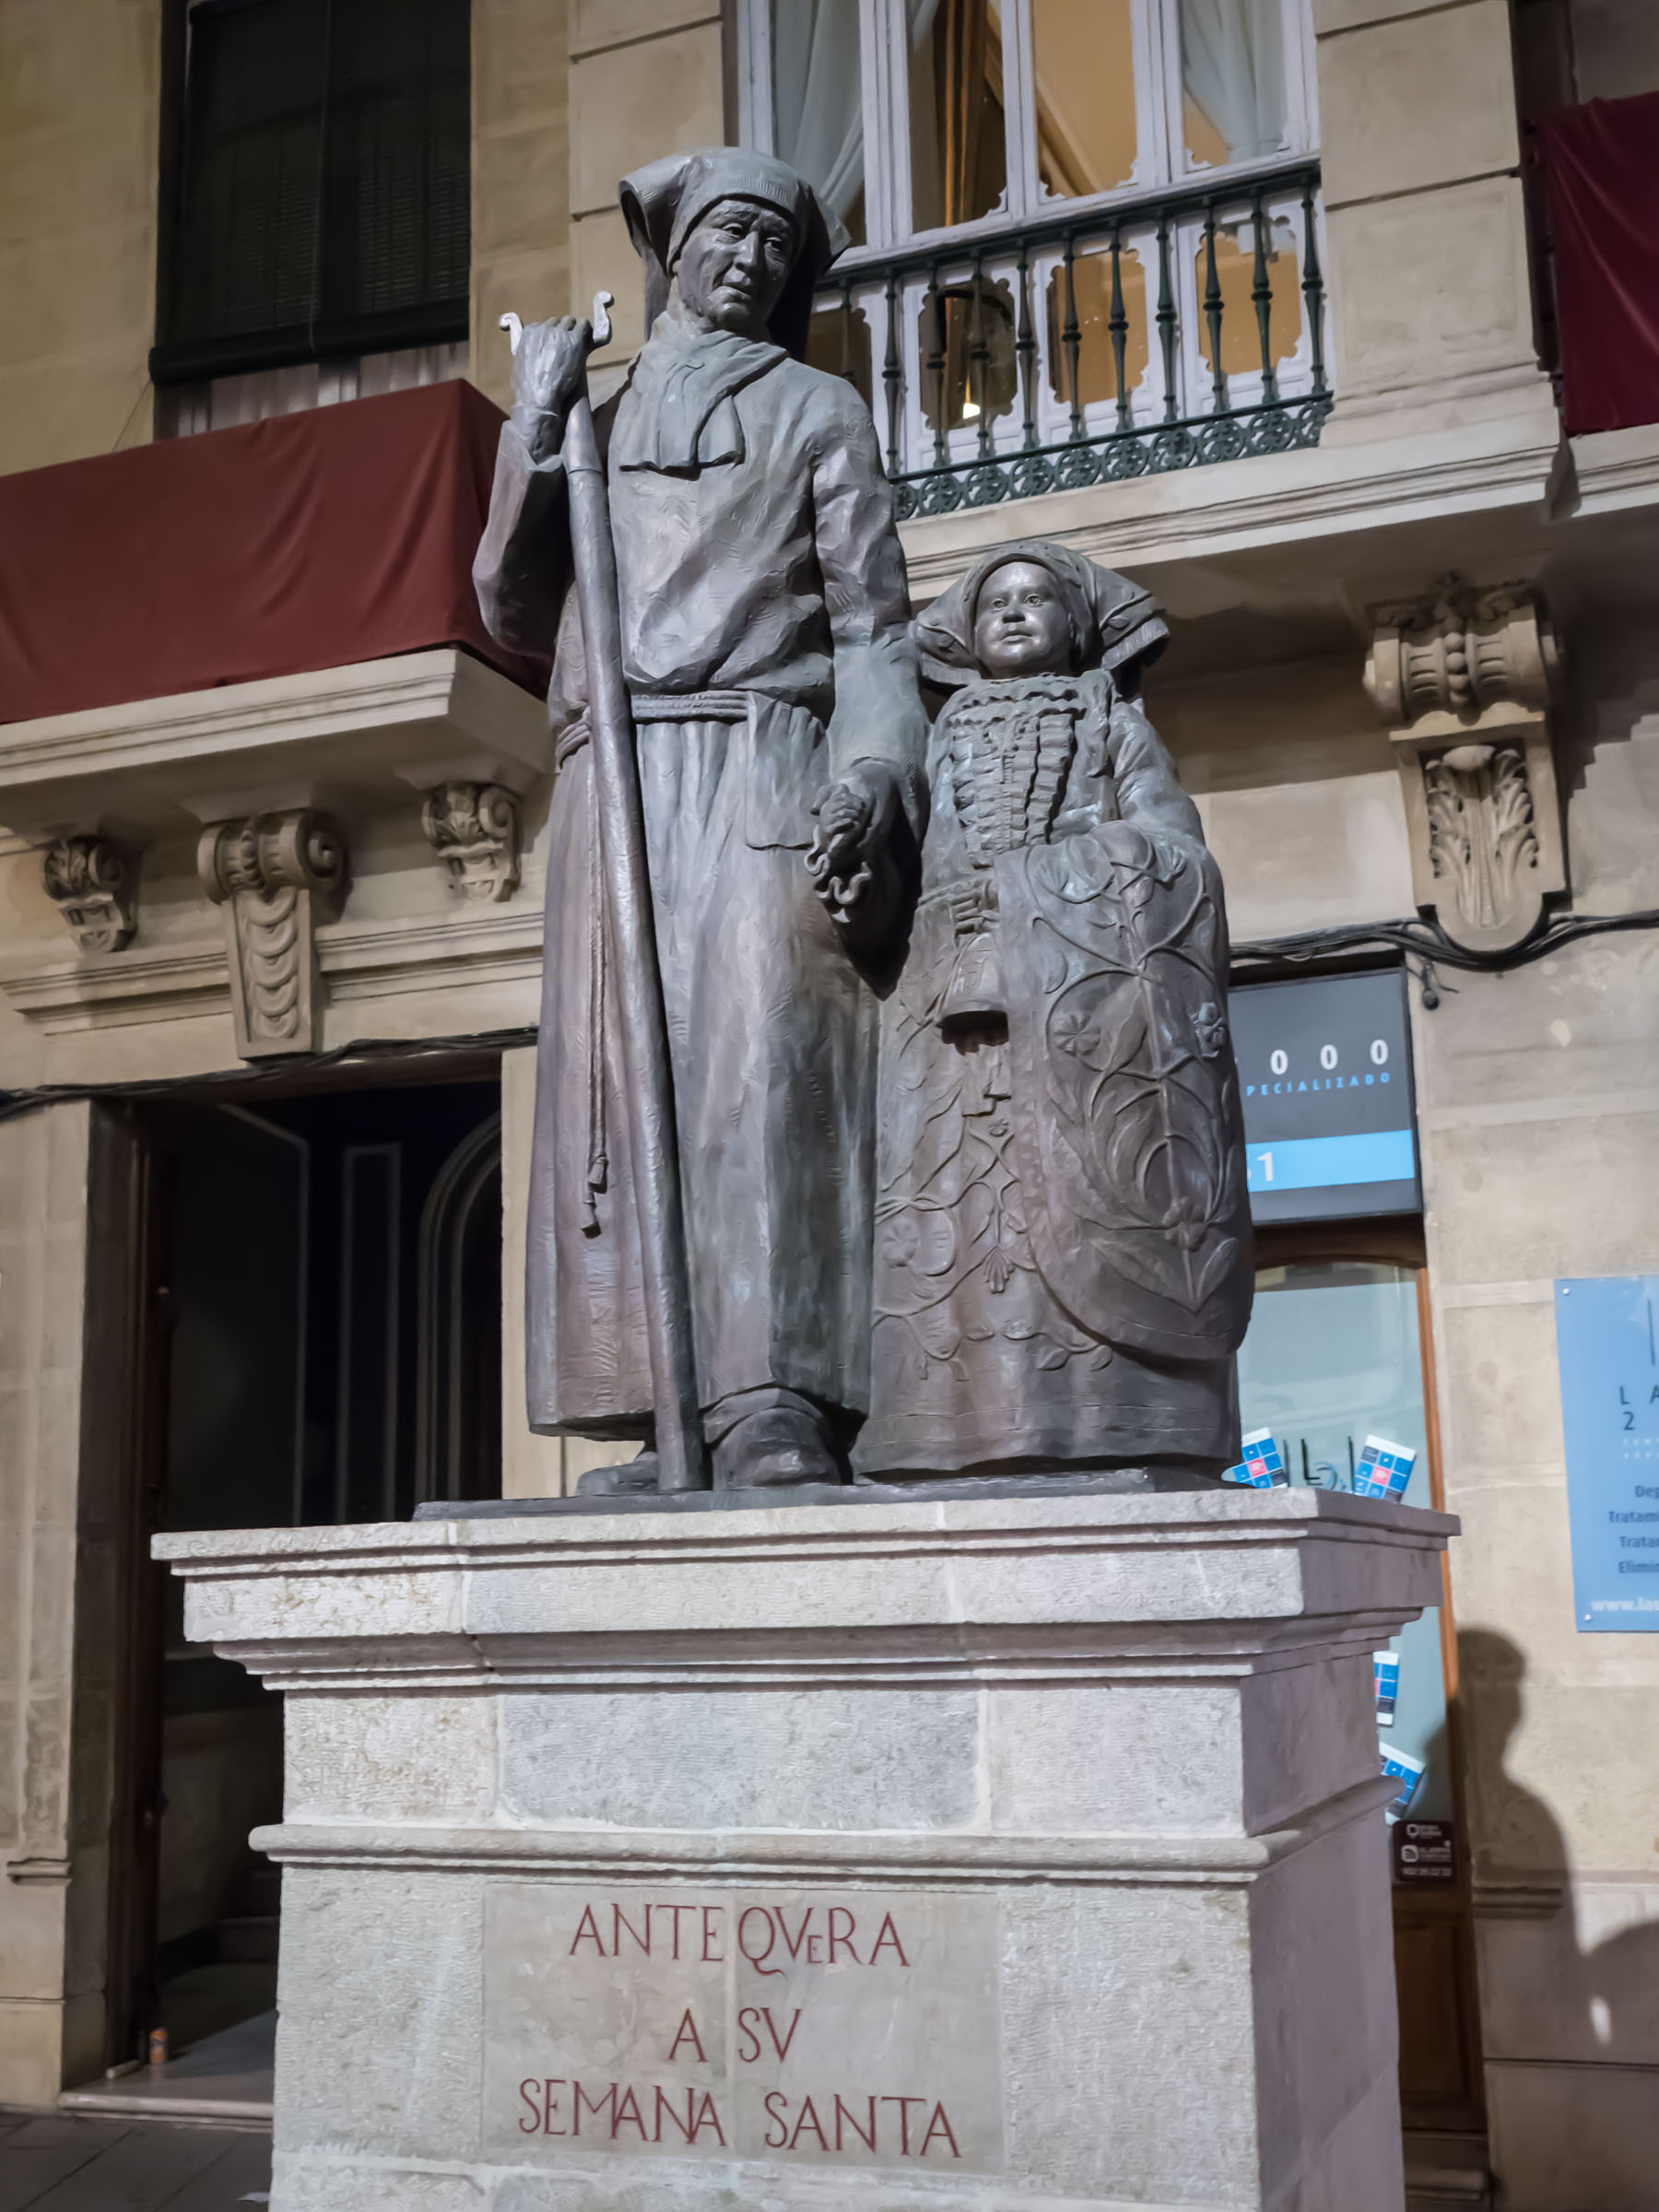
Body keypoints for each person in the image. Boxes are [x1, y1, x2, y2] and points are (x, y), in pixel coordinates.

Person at [473, 149, 928, 1488]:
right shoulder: (593, 419)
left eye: (776, 248)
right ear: (671, 246)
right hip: (612, 778)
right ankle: (657, 1414)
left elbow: (875, 631)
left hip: (761, 757)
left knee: (770, 1070)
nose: (749, 260)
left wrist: (874, 773)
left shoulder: (819, 410)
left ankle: (773, 1400)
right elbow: (509, 603)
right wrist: (536, 430)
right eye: (730, 232)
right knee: (620, 1087)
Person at [855, 541, 1253, 1481]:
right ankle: (949, 1427)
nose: (1017, 614)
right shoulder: (939, 734)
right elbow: (911, 860)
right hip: (945, 1013)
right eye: (998, 602)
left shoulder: (1111, 720)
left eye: (1039, 599)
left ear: (1076, 623)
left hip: (1078, 1005)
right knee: (954, 1212)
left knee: (1078, 1189)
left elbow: (1174, 851)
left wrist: (1053, 883)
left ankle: (1112, 1416)